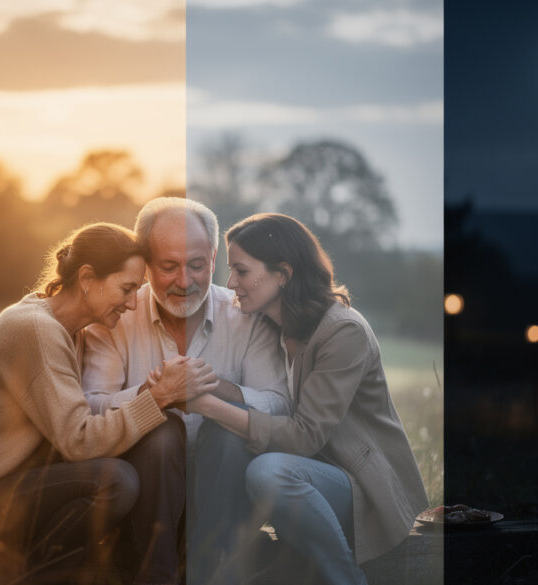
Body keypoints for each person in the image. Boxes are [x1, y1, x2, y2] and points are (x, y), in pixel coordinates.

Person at [0, 223, 187, 585]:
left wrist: (153, 404)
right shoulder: (37, 331)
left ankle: (151, 573)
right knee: (115, 482)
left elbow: (72, 428)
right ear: (88, 278)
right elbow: (77, 441)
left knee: (163, 429)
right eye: (127, 289)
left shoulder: (67, 330)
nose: (132, 302)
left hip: (12, 478)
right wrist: (155, 397)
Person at [181, 213, 428, 585]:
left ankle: (346, 578)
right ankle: (217, 569)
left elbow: (304, 436)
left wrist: (207, 405)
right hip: (309, 477)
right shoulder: (269, 322)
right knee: (230, 443)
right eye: (230, 271)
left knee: (268, 471)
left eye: (242, 272)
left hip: (362, 488)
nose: (231, 284)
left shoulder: (343, 331)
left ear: (283, 273)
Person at [81, 197, 290, 445]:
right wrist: (157, 393)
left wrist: (210, 385)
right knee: (160, 432)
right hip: (148, 469)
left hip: (227, 467)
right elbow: (92, 407)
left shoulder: (249, 316)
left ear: (213, 260)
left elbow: (280, 406)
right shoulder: (114, 316)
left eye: (197, 265)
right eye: (169, 267)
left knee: (226, 434)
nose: (184, 281)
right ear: (145, 266)